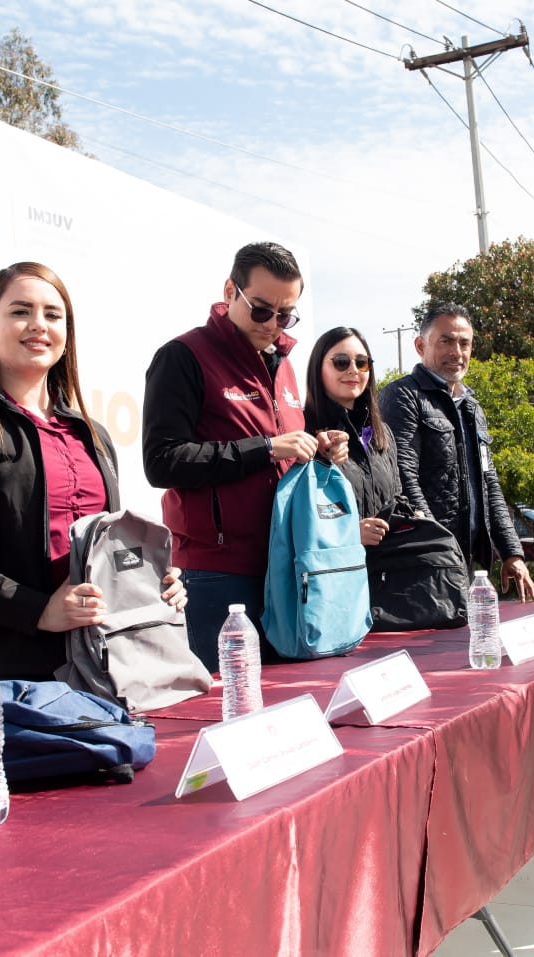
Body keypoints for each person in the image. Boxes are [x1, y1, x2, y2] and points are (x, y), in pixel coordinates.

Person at [0, 262, 186, 680]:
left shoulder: (92, 434)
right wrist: (38, 610)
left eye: (52, 314)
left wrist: (152, 578)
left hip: (102, 662)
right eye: (20, 311)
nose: (38, 325)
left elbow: (105, 543)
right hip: (6, 667)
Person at [142, 241, 347, 672]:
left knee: (290, 707)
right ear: (230, 291)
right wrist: (268, 448)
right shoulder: (183, 356)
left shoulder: (284, 365)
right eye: (261, 309)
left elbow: (282, 445)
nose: (273, 323)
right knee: (227, 711)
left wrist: (318, 448)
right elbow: (161, 461)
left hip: (288, 565)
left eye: (285, 314)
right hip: (217, 572)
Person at [378, 302, 534, 601]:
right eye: (446, 341)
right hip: (426, 564)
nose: (457, 352)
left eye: (464, 343)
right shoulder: (402, 396)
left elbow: (490, 483)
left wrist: (511, 552)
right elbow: (403, 477)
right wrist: (439, 548)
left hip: (467, 562)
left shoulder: (472, 406)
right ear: (420, 345)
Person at [303, 326, 401, 546]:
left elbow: (395, 498)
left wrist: (412, 515)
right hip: (334, 571)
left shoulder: (382, 433)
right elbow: (298, 511)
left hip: (386, 571)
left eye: (361, 362)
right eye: (341, 362)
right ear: (318, 369)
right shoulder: (302, 431)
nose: (353, 370)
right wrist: (349, 532)